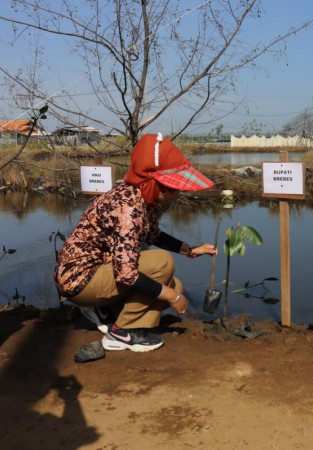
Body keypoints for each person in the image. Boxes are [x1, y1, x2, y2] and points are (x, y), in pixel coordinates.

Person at [54, 133, 217, 353]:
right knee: (162, 265)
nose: (179, 194)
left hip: (95, 271)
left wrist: (189, 249)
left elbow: (153, 235)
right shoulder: (129, 208)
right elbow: (126, 274)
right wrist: (172, 297)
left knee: (172, 283)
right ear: (157, 184)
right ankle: (122, 333)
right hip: (80, 280)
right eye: (176, 188)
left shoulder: (138, 196)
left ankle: (105, 310)